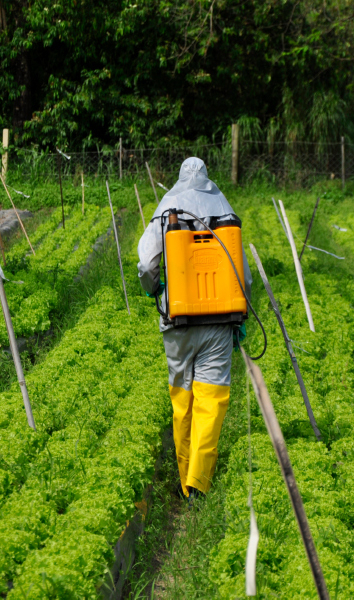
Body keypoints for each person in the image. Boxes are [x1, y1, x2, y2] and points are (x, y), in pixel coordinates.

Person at [137, 157, 251, 503]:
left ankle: (185, 477)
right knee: (211, 398)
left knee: (183, 396)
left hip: (179, 319)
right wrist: (241, 315)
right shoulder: (224, 210)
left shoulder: (167, 209)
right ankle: (199, 482)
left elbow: (146, 263)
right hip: (219, 321)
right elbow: (242, 274)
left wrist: (155, 289)